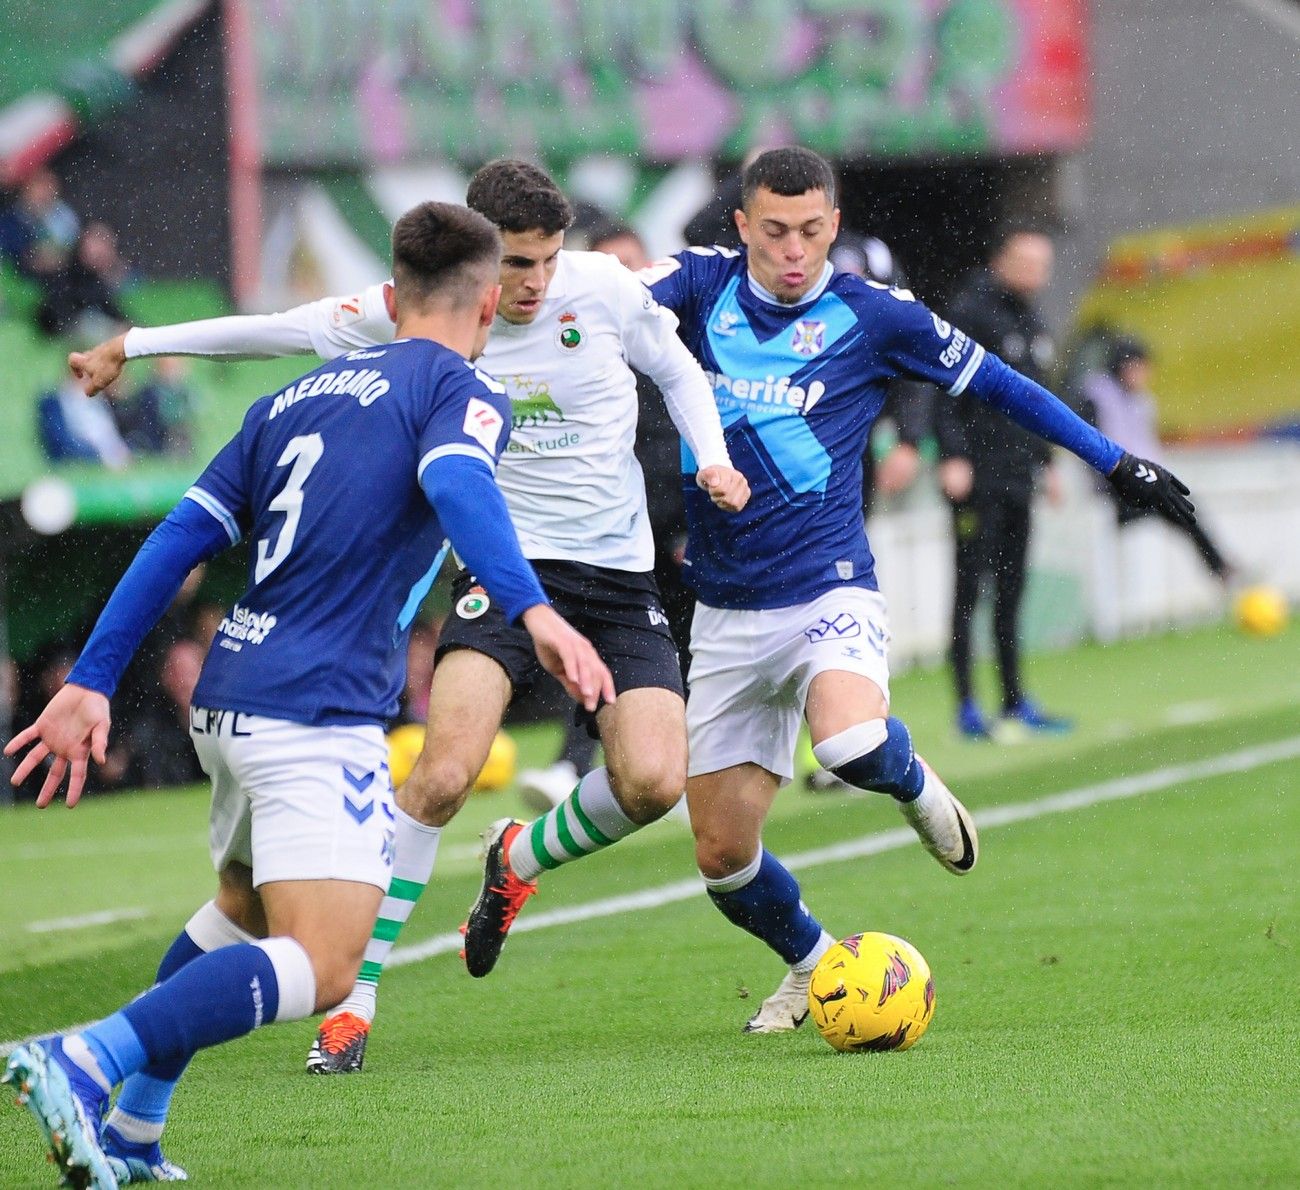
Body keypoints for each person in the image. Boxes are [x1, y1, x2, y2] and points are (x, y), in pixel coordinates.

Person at [69, 159, 749, 1076]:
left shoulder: (606, 291)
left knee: (654, 783)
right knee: (440, 776)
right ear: (474, 260)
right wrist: (139, 344)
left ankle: (519, 858)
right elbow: (275, 330)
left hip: (618, 580)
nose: (534, 282)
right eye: (515, 262)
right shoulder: (416, 321)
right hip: (508, 578)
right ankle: (357, 1001)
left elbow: (680, 372)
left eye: (547, 259)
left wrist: (710, 459)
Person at [509, 146, 1191, 1034]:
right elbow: (597, 290)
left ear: (834, 226)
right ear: (745, 225)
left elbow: (1004, 384)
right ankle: (809, 964)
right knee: (721, 856)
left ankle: (911, 783)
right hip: (722, 611)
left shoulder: (875, 314)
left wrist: (1115, 459)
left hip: (829, 588)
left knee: (849, 742)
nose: (795, 251)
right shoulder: (694, 286)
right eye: (776, 231)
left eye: (812, 231)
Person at [3, 200, 613, 1185]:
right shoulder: (459, 389)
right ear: (489, 298)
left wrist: (92, 677)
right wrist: (535, 610)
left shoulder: (295, 398)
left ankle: (132, 1129)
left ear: (393, 289)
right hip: (315, 707)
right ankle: (83, 1055)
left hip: (230, 692)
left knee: (239, 910)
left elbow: (178, 537)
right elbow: (459, 484)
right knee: (328, 963)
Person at [933, 220, 1072, 740]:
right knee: (969, 589)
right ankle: (967, 705)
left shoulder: (1033, 321)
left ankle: (1014, 700)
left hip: (1018, 475)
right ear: (1003, 261)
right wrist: (952, 454)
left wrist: (1048, 462)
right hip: (976, 476)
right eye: (1028, 263)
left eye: (1044, 265)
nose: (1038, 274)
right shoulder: (970, 311)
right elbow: (942, 387)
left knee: (1013, 590)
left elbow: (1037, 401)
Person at [1081, 335, 1233, 582]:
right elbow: (1091, 446)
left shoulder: (1142, 401)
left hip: (1142, 481)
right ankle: (1221, 568)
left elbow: (1146, 447)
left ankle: (1221, 568)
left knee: (1187, 508)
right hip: (1115, 486)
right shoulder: (1097, 396)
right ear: (1124, 366)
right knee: (1181, 510)